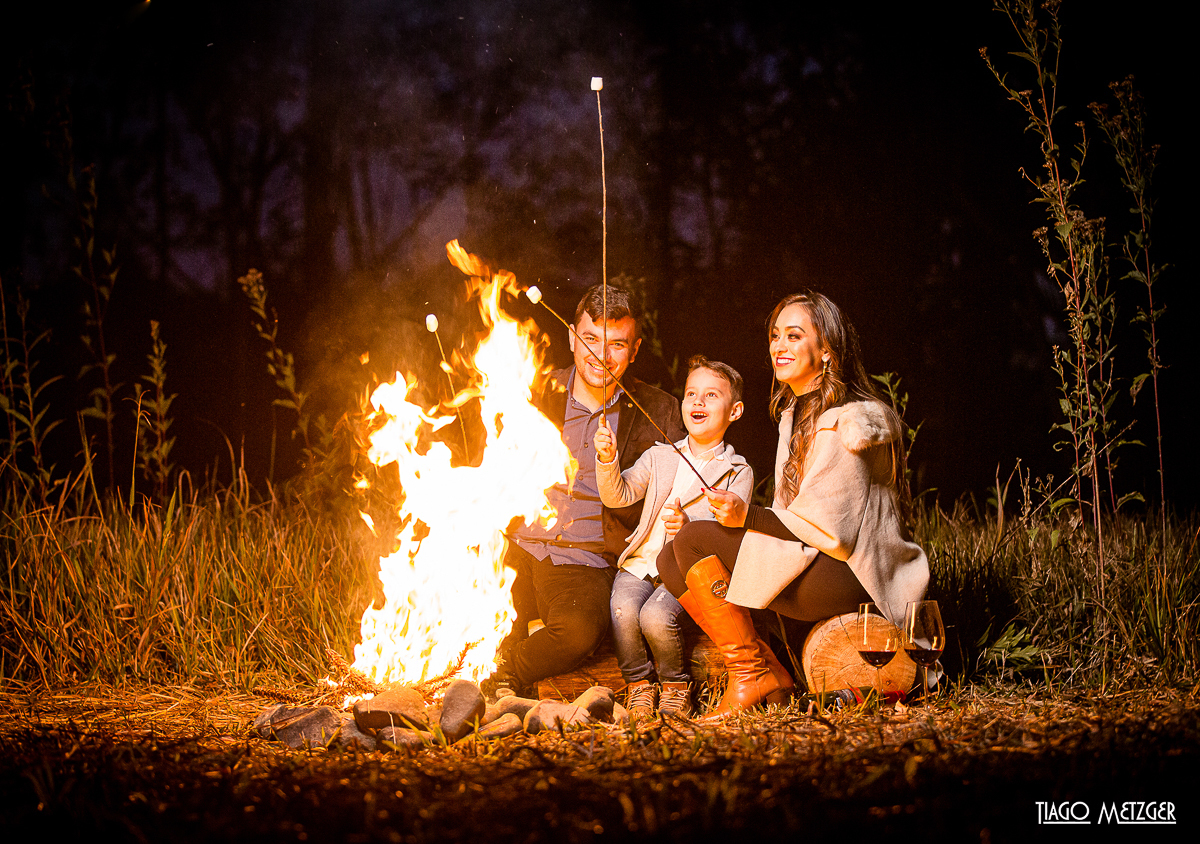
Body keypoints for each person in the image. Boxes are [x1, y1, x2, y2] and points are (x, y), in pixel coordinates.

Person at [658, 290, 930, 721]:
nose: (779, 346)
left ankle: (752, 677)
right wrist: (751, 524)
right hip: (817, 555)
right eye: (774, 335)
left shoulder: (844, 421)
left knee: (692, 539)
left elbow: (828, 528)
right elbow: (796, 515)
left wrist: (747, 516)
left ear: (826, 351)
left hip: (856, 573)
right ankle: (763, 671)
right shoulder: (796, 412)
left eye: (793, 335)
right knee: (668, 558)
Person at [482, 283, 686, 700]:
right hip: (516, 545)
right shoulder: (532, 391)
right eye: (590, 339)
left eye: (616, 344)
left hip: (584, 558)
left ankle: (505, 673)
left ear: (634, 349)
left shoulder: (658, 410)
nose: (600, 355)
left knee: (577, 632)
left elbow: (686, 483)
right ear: (572, 338)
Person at [595, 356, 753, 719]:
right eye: (691, 394)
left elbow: (731, 533)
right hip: (641, 564)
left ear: (735, 410)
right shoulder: (660, 456)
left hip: (685, 572)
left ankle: (675, 686)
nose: (697, 402)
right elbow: (617, 495)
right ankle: (638, 685)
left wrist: (688, 526)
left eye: (711, 395)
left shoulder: (736, 470)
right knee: (623, 609)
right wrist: (607, 459)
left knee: (654, 617)